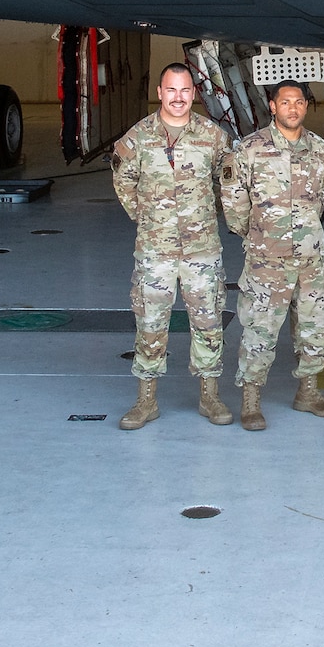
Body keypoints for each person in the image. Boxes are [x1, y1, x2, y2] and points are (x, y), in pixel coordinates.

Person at [111, 62, 234, 431]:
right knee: (150, 323)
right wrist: (150, 220)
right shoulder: (138, 137)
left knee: (209, 323)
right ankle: (146, 401)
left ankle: (209, 396)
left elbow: (224, 186)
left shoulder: (213, 137)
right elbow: (124, 183)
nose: (178, 98)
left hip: (202, 250)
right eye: (171, 90)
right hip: (155, 251)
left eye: (185, 91)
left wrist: (201, 216)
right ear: (160, 93)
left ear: (193, 94)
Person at [221, 79, 324, 430]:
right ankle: (251, 400)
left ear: (306, 106)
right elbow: (234, 204)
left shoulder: (320, 150)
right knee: (260, 329)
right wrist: (260, 236)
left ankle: (308, 392)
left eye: (299, 102)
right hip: (266, 259)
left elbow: (321, 200)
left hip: (309, 258)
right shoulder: (249, 149)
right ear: (272, 106)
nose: (293, 108)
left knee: (313, 327)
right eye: (285, 102)